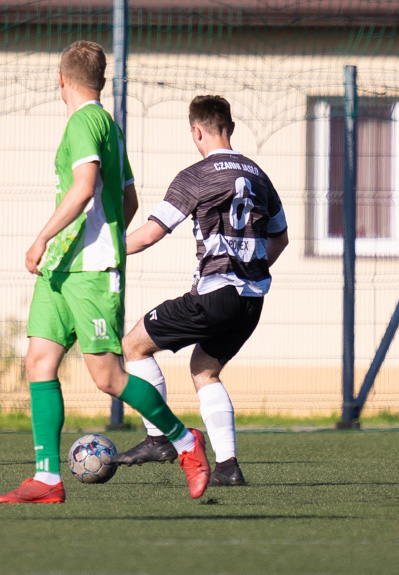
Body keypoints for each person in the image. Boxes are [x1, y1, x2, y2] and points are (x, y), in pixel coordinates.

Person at [0, 40, 210, 504]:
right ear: (103, 81)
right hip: (63, 271)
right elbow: (127, 199)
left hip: (88, 270)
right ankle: (47, 479)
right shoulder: (107, 123)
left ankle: (186, 442)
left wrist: (42, 237)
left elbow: (85, 186)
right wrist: (97, 236)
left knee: (108, 377)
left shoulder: (83, 122)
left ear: (60, 78)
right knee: (39, 362)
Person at [114, 95, 289, 486]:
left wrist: (104, 250)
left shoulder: (196, 175)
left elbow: (150, 233)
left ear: (196, 131)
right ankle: (228, 467)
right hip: (252, 300)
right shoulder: (259, 175)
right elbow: (280, 238)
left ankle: (158, 438)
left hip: (215, 294)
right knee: (204, 371)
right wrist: (252, 270)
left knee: (134, 345)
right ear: (230, 126)